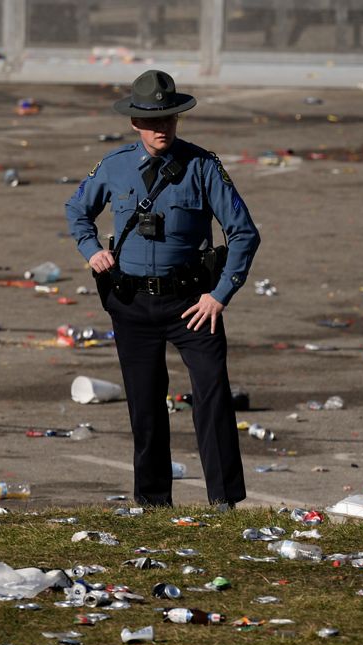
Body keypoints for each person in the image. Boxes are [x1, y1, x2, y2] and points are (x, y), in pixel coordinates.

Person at [64, 69, 261, 509]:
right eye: (152, 121)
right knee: (145, 406)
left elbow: (244, 233)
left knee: (212, 396)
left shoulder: (203, 166)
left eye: (168, 119)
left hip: (192, 304)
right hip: (131, 304)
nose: (161, 129)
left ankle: (224, 500)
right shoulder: (114, 167)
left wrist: (221, 294)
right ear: (135, 123)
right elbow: (77, 210)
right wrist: (90, 249)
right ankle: (152, 502)